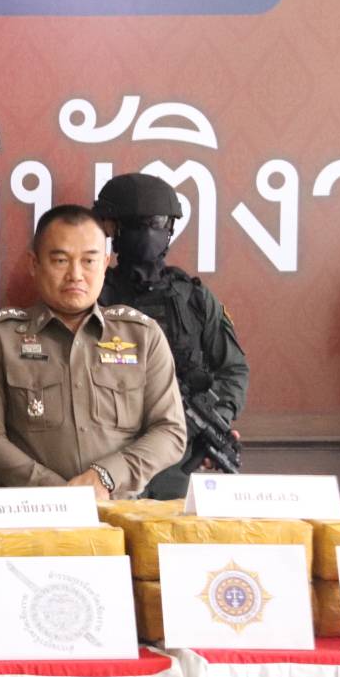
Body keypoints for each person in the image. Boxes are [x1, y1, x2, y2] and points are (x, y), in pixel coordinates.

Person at [0, 204, 187, 496]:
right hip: (31, 511)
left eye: (89, 261)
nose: (75, 275)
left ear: (105, 264)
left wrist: (107, 476)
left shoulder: (142, 336)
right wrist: (58, 491)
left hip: (122, 512)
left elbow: (169, 431)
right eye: (60, 260)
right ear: (34, 264)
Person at [94, 173, 249, 497]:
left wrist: (212, 418)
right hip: (107, 453)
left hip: (177, 460)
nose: (149, 232)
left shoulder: (194, 299)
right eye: (137, 224)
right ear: (114, 228)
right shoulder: (93, 295)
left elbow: (233, 368)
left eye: (159, 223)